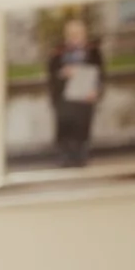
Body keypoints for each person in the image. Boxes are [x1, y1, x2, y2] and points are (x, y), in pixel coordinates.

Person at [47, 14, 104, 168]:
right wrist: (63, 73)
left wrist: (96, 90)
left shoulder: (93, 52)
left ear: (84, 34)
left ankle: (81, 157)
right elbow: (51, 74)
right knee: (65, 127)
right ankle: (65, 157)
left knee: (83, 126)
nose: (75, 37)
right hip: (64, 97)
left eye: (78, 33)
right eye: (72, 34)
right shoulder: (58, 52)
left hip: (85, 96)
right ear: (67, 35)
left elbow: (101, 74)